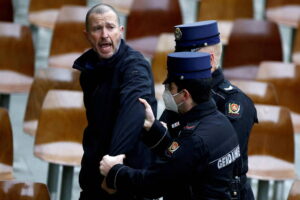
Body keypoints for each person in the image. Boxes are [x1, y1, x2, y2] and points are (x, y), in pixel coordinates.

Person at [100, 52, 242, 199]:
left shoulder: (194, 139)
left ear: (185, 95)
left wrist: (115, 172)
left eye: (170, 88)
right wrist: (153, 128)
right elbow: (184, 160)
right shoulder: (220, 122)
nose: (166, 92)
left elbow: (154, 183)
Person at [160, 20, 258, 199]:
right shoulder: (180, 95)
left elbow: (210, 163)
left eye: (189, 56)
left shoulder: (233, 103)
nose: (181, 62)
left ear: (211, 60)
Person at [72, 3, 157, 200]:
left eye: (110, 27)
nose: (104, 34)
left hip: (125, 179)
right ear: (87, 34)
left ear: (120, 31)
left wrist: (113, 172)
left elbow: (133, 116)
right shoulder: (88, 72)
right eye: (97, 29)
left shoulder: (135, 68)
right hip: (94, 177)